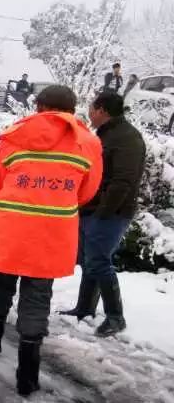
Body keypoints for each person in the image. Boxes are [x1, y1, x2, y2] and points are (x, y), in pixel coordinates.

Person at [0, 85, 103, 397]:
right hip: (52, 234)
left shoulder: (13, 138)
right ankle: (28, 372)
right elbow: (87, 192)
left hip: (6, 229)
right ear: (71, 110)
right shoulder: (87, 143)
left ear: (38, 107)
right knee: (37, 296)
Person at [60, 92, 146, 336]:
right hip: (93, 209)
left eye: (91, 107)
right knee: (90, 261)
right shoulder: (108, 134)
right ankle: (85, 308)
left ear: (101, 110)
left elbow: (122, 181)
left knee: (99, 261)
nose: (88, 112)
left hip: (111, 212)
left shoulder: (127, 138)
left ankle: (116, 317)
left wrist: (103, 212)